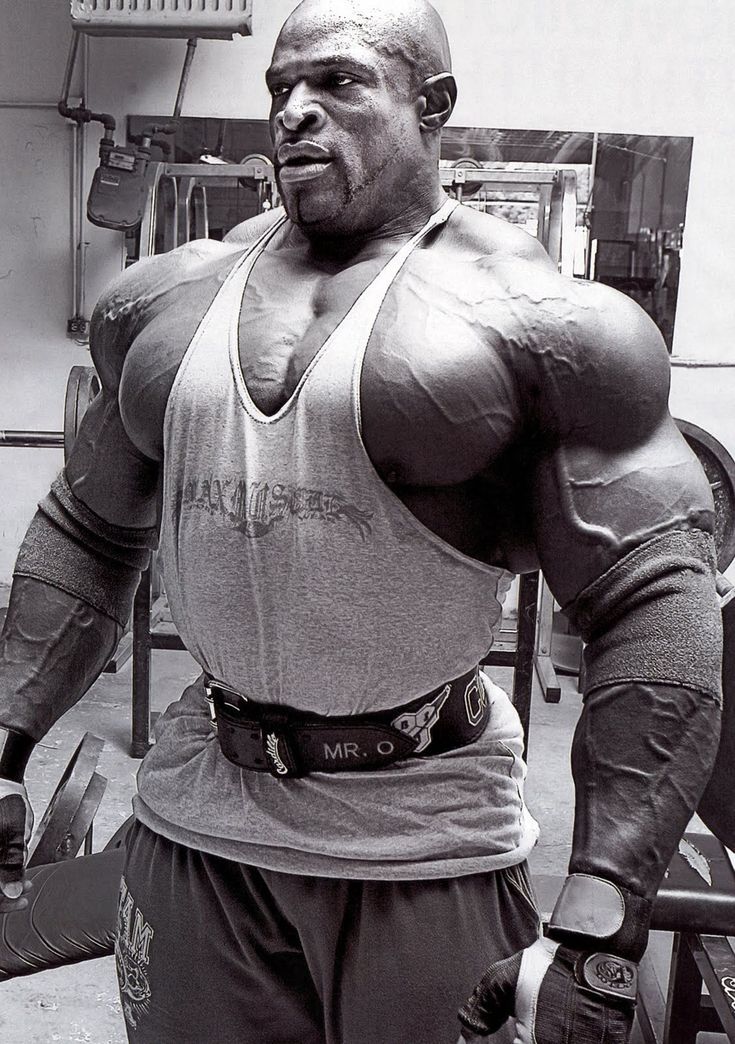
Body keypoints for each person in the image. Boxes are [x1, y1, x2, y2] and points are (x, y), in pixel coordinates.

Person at [0, 0, 724, 1041]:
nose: (295, 110)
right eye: (280, 89)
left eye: (337, 83)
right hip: (202, 821)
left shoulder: (538, 321)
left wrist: (601, 915)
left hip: (426, 841)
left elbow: (654, 600)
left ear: (433, 106)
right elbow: (86, 528)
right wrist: (7, 739)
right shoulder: (167, 303)